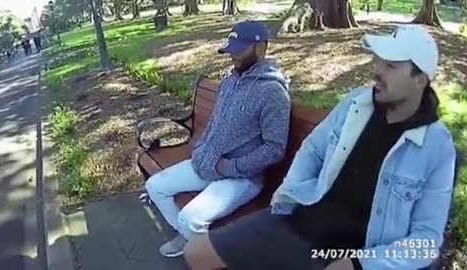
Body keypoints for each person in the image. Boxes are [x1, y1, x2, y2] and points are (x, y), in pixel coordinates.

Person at [183, 24, 457, 270]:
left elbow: (426, 240)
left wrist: (361, 265)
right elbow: (312, 149)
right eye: (379, 62)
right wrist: (288, 193)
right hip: (303, 221)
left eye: (391, 66)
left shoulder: (436, 146)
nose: (377, 71)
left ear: (421, 80)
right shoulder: (356, 104)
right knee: (196, 253)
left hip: (357, 252)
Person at [144, 20, 291, 258]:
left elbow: (274, 149)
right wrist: (201, 145)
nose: (232, 56)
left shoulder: (273, 93)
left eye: (239, 49)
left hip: (243, 177)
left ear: (261, 47)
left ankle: (207, 256)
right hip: (209, 161)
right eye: (231, 49)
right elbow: (215, 120)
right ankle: (188, 238)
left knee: (190, 217)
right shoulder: (230, 81)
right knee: (155, 186)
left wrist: (231, 166)